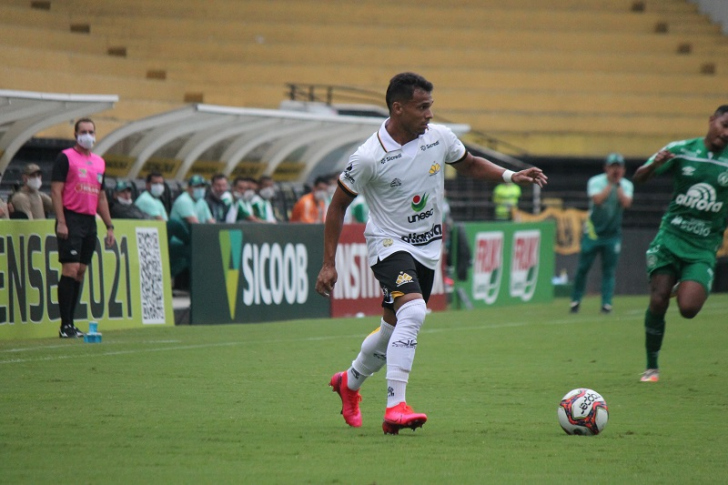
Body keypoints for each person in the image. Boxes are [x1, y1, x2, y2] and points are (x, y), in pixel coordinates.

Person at [315, 72, 547, 434]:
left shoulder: (439, 138)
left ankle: (349, 382)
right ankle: (396, 406)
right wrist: (329, 263)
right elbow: (337, 206)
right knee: (415, 311)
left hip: (427, 248)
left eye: (430, 107)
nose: (429, 115)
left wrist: (509, 176)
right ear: (398, 107)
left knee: (391, 332)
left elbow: (468, 163)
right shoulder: (368, 156)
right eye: (422, 108)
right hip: (389, 243)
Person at [632, 105, 728, 383]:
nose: (726, 132)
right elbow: (639, 177)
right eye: (724, 124)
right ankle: (652, 368)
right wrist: (654, 164)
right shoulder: (681, 149)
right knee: (658, 300)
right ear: (711, 120)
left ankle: (684, 283)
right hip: (671, 238)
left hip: (702, 246)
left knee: (688, 309)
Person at [50, 118, 114, 338]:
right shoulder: (66, 157)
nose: (88, 135)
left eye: (91, 131)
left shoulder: (99, 162)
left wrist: (109, 225)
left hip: (89, 220)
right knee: (70, 268)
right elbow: (56, 191)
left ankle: (71, 323)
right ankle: (64, 325)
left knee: (81, 271)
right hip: (71, 216)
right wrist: (61, 220)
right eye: (83, 131)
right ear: (76, 135)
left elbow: (101, 196)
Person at [569, 153, 634, 314]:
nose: (615, 170)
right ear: (606, 168)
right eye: (612, 167)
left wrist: (617, 185)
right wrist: (610, 184)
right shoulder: (596, 182)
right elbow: (597, 200)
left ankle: (606, 303)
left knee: (609, 270)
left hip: (612, 234)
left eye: (618, 167)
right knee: (583, 268)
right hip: (593, 233)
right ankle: (575, 300)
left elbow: (626, 203)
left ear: (623, 169)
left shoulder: (626, 185)